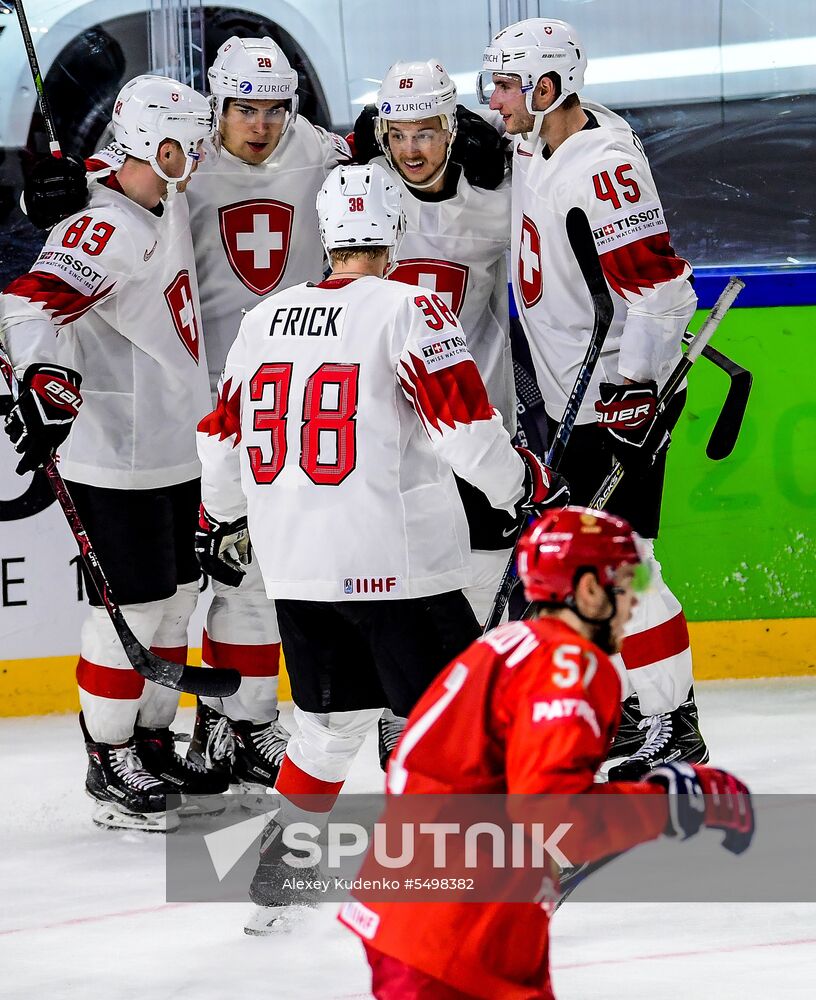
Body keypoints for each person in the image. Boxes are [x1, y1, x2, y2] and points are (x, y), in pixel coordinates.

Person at [196, 161, 567, 932]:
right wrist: (521, 487)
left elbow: (221, 446)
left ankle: (276, 882)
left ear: (327, 236)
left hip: (298, 569)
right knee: (462, 719)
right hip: (396, 569)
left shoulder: (262, 319)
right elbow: (466, 428)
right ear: (394, 231)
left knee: (328, 732)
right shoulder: (412, 309)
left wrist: (225, 516)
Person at [23, 37, 354, 797]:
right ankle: (114, 754)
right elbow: (52, 269)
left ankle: (192, 731)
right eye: (239, 109)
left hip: (232, 422)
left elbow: (383, 151)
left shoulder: (200, 179)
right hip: (152, 434)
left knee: (211, 593)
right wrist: (43, 190)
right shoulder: (147, 189)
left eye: (273, 109)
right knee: (140, 606)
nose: (253, 127)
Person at [339, 506, 755, 1000]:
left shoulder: (502, 647)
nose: (635, 599)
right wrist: (668, 800)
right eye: (626, 583)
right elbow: (558, 818)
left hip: (413, 913)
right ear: (586, 592)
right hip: (460, 936)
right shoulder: (569, 663)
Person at [478, 18, 708, 778]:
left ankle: (675, 723)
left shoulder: (605, 167)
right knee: (596, 569)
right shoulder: (532, 138)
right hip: (562, 395)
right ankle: (644, 705)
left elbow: (665, 295)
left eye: (506, 87)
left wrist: (635, 395)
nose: (495, 101)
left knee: (624, 567)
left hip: (611, 400)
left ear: (548, 90)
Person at [0, 75, 224, 831]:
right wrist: (42, 375)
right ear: (151, 144)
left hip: (178, 441)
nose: (197, 157)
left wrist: (55, 187)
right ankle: (109, 755)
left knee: (178, 602)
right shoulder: (104, 229)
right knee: (128, 608)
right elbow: (28, 302)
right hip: (118, 452)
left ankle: (152, 736)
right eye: (184, 145)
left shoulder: (160, 191)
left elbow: (99, 172)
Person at [351, 59, 517, 763]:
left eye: (429, 132)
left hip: (474, 420)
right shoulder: (357, 189)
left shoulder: (499, 195)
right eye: (397, 132)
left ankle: (467, 708)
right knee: (404, 580)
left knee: (487, 572)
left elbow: (577, 154)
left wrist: (514, 154)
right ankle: (404, 712)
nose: (411, 149)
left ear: (455, 126)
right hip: (392, 431)